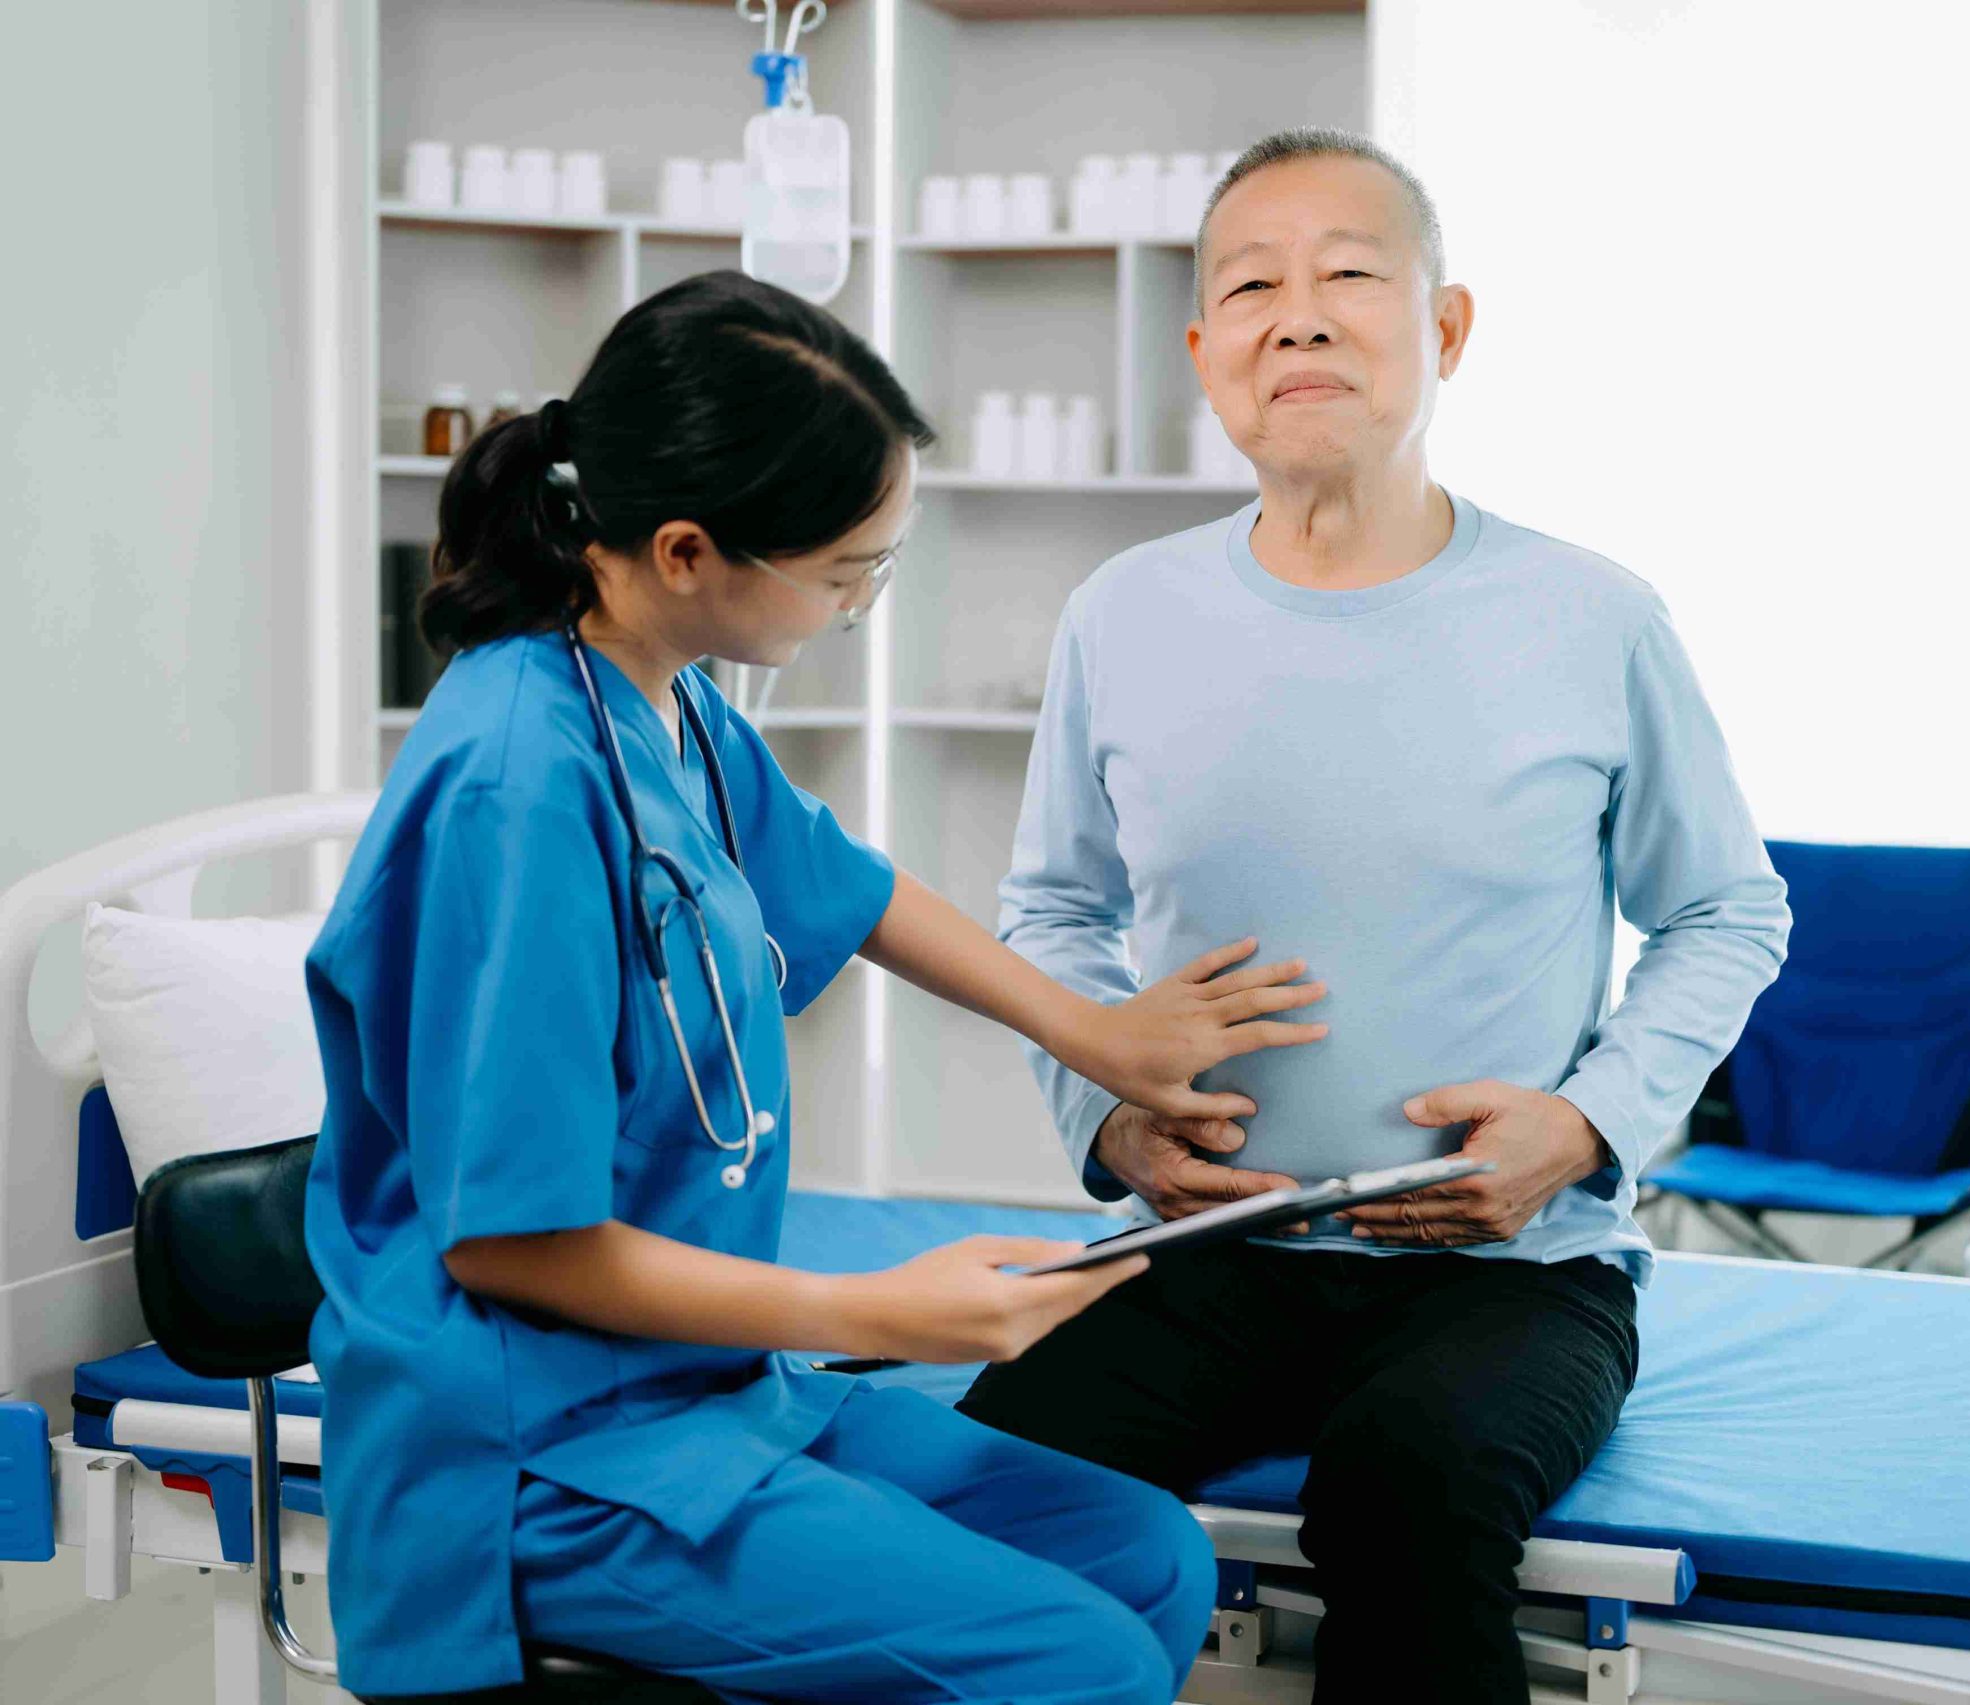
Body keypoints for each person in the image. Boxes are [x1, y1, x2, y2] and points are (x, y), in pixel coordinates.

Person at [301, 271, 1332, 1703]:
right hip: (539, 1451)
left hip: (700, 1391)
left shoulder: (661, 700)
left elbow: (853, 890)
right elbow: (508, 1247)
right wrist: (879, 1315)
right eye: (848, 572)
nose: (859, 603)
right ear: (684, 549)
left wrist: (1096, 1034)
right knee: (1073, 1655)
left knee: (1148, 1555)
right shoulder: (515, 788)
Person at [959, 131, 1793, 1702]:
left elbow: (1727, 909)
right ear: (1204, 352)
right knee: (987, 1488)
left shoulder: (1590, 615)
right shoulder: (1123, 614)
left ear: (1448, 328)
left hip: (1514, 1270)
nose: (1299, 316)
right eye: (1251, 286)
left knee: (1407, 1490)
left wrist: (1586, 1124)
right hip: (1206, 1242)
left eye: (1349, 274)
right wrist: (1105, 1118)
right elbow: (1055, 907)